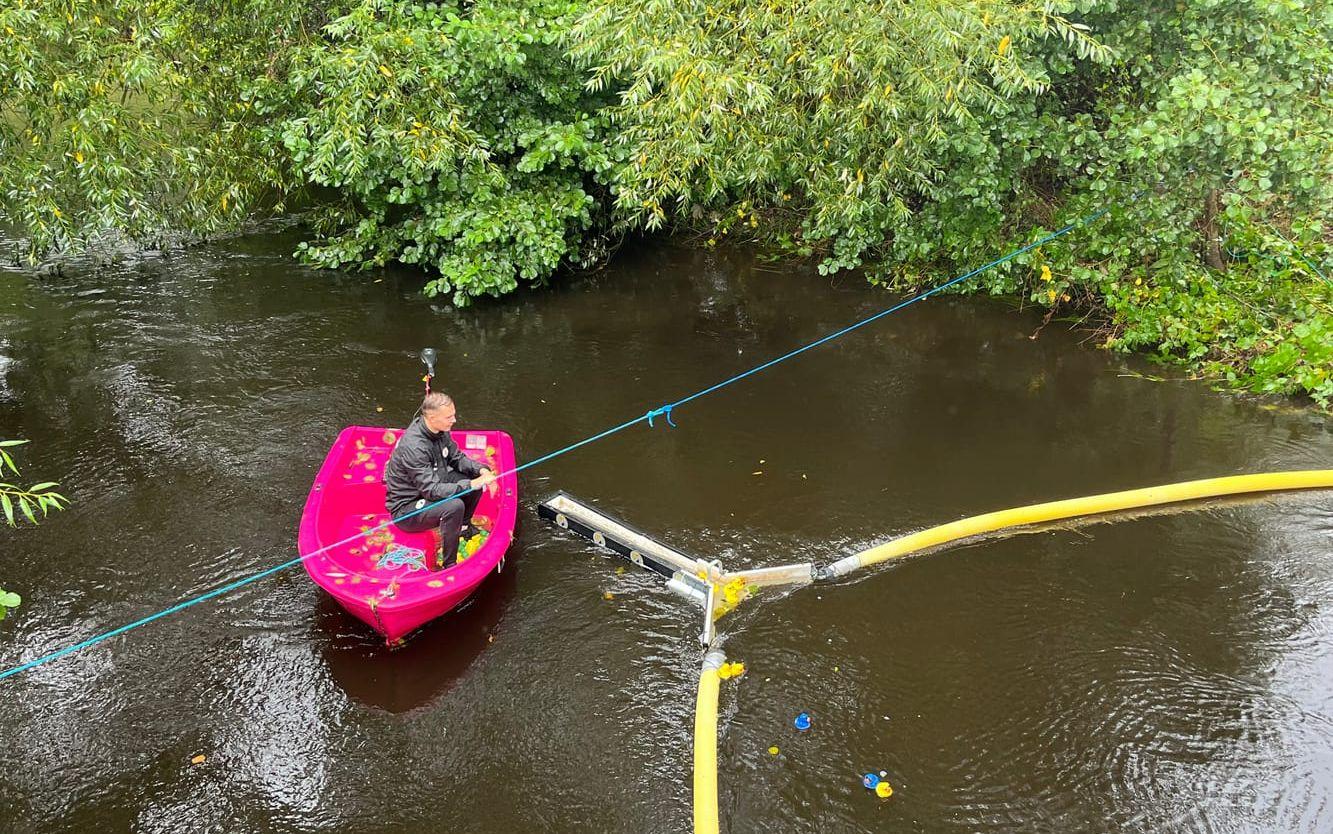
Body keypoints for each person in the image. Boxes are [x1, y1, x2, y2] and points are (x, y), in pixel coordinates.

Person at [383, 392, 497, 569]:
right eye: (449, 417)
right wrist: (471, 484)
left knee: (474, 483)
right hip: (407, 509)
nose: (454, 420)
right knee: (455, 506)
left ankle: (463, 527)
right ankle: (449, 563)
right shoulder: (415, 447)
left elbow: (457, 458)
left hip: (433, 482)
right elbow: (431, 490)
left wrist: (482, 470)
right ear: (432, 417)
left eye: (454, 414)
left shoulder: (441, 431)